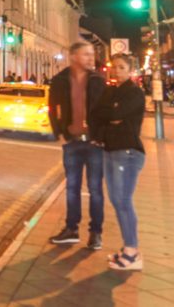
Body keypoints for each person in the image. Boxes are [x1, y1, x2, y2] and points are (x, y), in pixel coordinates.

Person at [91, 52, 146, 271]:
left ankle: (132, 252)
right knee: (116, 200)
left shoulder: (134, 93)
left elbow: (118, 113)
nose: (116, 71)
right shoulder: (110, 91)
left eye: (121, 67)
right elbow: (96, 114)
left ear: (130, 70)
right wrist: (110, 118)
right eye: (113, 67)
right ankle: (127, 248)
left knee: (123, 201)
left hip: (128, 152)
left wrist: (110, 116)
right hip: (110, 150)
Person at [48, 41, 105, 249]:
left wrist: (101, 136)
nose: (91, 58)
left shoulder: (98, 80)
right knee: (72, 189)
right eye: (86, 54)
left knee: (95, 190)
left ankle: (96, 233)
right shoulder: (60, 80)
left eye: (92, 54)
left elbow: (106, 110)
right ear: (73, 57)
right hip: (72, 142)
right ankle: (71, 229)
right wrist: (60, 133)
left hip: (94, 143)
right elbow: (52, 108)